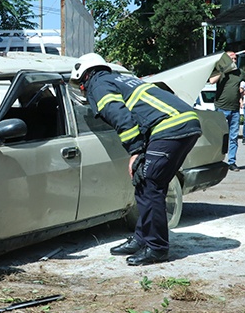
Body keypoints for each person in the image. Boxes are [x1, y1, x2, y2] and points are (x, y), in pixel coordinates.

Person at [69, 53, 202, 266]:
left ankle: (157, 248)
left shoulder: (99, 84)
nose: (81, 88)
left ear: (85, 75)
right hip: (184, 124)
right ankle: (142, 238)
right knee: (145, 182)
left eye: (79, 83)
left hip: (170, 127)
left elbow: (121, 117)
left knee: (151, 184)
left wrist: (136, 151)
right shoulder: (119, 79)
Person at [209, 51, 245, 172]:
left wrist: (243, 93)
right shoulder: (220, 71)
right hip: (221, 108)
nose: (234, 60)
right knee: (219, 136)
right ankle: (215, 161)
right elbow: (211, 81)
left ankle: (232, 162)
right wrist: (223, 70)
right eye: (231, 58)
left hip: (235, 110)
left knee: (233, 137)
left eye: (235, 58)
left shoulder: (239, 73)